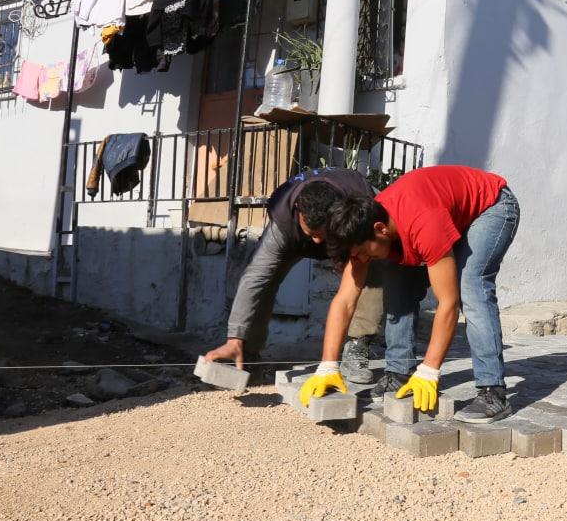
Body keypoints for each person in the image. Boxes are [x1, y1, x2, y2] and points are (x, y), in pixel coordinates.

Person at [300, 165, 520, 423]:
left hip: (491, 207)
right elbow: (345, 300)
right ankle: (399, 373)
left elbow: (448, 302)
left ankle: (492, 391)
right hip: (441, 212)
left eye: (362, 251)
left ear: (381, 229)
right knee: (396, 280)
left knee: (471, 286)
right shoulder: (360, 229)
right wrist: (327, 365)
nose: (360, 259)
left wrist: (429, 371)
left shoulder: (423, 224)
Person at [203, 167, 382, 382]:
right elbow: (256, 278)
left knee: (371, 268)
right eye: (312, 233)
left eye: (322, 234)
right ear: (299, 212)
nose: (317, 241)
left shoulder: (360, 205)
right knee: (265, 278)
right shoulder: (284, 216)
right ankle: (245, 352)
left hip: (350, 228)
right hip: (295, 236)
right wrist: (235, 336)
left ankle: (357, 347)